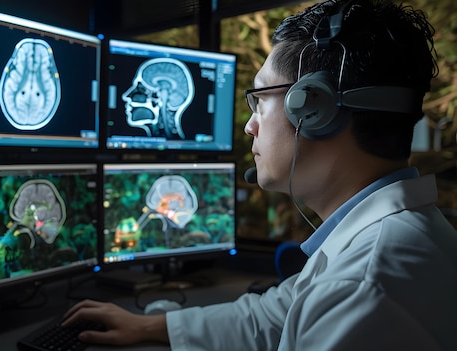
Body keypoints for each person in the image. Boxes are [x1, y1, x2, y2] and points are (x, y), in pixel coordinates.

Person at [62, 0, 457, 349]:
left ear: (313, 109)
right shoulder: (391, 239)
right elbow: (274, 317)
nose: (251, 127)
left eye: (259, 100)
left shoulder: (362, 289)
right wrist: (148, 325)